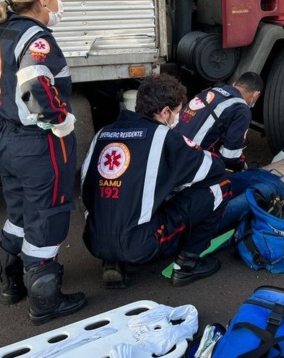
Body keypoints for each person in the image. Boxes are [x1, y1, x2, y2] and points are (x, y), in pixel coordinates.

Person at [0, 0, 86, 325]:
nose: (61, 3)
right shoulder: (37, 38)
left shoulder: (5, 33)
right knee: (47, 216)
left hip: (4, 139)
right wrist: (61, 121)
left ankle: (11, 280)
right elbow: (34, 87)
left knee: (20, 213)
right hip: (37, 144)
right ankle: (45, 300)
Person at [81, 74, 231, 288]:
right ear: (165, 112)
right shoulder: (164, 137)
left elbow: (86, 188)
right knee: (220, 189)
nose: (177, 119)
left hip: (94, 240)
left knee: (119, 195)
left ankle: (112, 260)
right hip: (139, 244)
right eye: (177, 112)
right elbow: (213, 169)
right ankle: (187, 265)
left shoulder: (104, 133)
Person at [176, 72, 263, 172]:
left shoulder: (209, 91)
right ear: (256, 94)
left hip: (171, 148)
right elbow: (230, 157)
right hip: (189, 163)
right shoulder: (242, 110)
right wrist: (242, 167)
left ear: (234, 84)